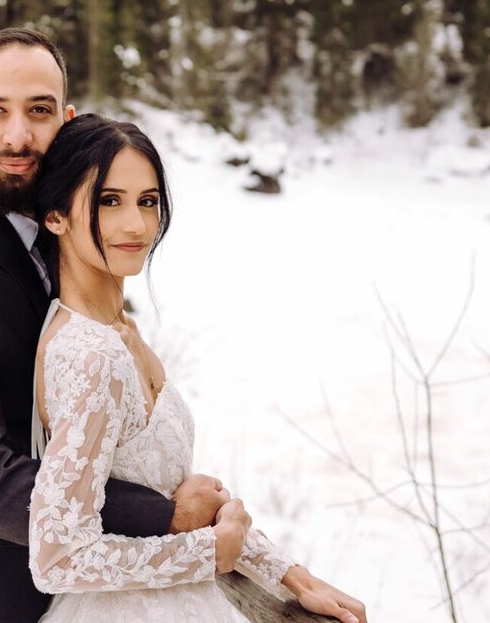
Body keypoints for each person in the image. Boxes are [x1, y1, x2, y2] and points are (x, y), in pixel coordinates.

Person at [0, 29, 229, 623]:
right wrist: (166, 516)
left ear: (64, 122)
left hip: (91, 595)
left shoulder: (76, 237)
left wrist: (286, 571)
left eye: (38, 111)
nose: (18, 135)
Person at [28, 114, 368, 623]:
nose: (136, 225)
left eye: (147, 201)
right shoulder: (89, 354)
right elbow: (57, 558)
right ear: (55, 216)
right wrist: (209, 553)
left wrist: (294, 577)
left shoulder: (122, 333)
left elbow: (171, 497)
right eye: (109, 201)